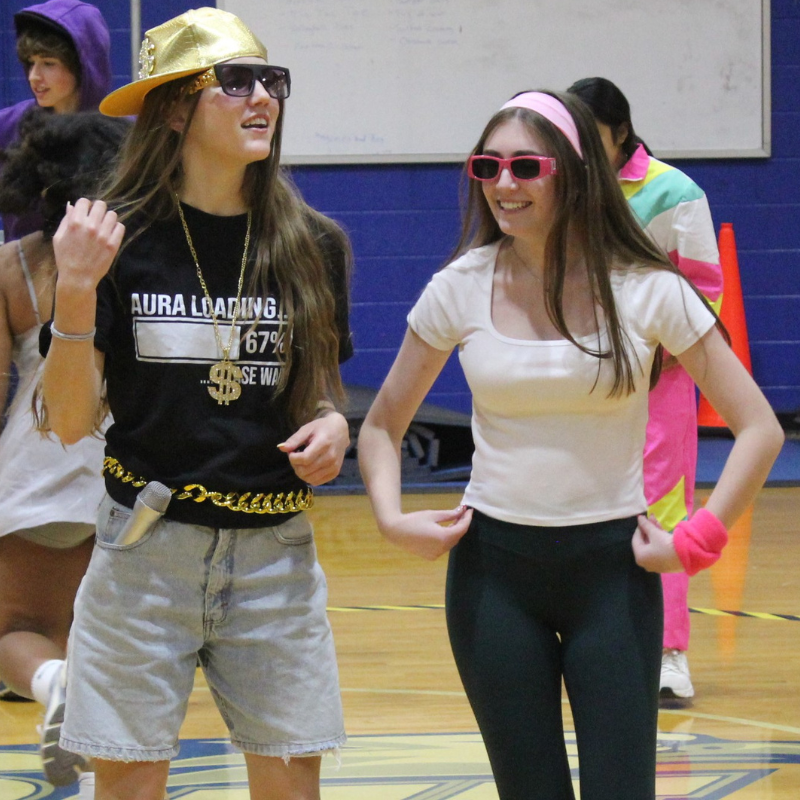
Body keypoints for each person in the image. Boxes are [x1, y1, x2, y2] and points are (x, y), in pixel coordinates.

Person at [357, 90, 783, 800]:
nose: (503, 184)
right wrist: (390, 517)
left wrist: (697, 539)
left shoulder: (647, 288)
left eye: (526, 166)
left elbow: (759, 427)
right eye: (487, 166)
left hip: (612, 577)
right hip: (493, 577)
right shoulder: (457, 288)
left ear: (577, 174)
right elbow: (379, 424)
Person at [39, 7, 352, 800]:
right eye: (235, 83)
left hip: (275, 556)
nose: (263, 99)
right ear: (174, 107)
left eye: (271, 82)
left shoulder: (312, 243)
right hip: (146, 549)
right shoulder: (114, 237)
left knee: (290, 786)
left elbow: (317, 392)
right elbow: (71, 422)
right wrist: (74, 291)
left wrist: (331, 425)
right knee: (132, 787)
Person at [567, 77, 724, 702]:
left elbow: (705, 290)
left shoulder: (674, 191)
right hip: (579, 377)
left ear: (621, 133)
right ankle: (595, 646)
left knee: (660, 511)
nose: (577, 145)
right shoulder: (557, 188)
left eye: (589, 134)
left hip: (660, 379)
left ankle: (670, 656)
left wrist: (659, 354)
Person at [0, 110, 129, 795]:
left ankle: (51, 684)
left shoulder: (14, 266)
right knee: (109, 637)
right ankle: (102, 758)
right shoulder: (148, 252)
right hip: (130, 467)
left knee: (16, 629)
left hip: (40, 460)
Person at [0, 0, 111, 242]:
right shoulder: (8, 126)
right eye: (30, 63)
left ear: (83, 65)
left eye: (48, 64)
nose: (34, 77)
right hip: (22, 274)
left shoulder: (121, 133)